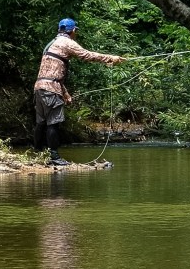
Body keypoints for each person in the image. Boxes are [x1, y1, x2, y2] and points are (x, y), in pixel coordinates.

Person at [34, 18, 125, 165]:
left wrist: (66, 94)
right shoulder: (67, 42)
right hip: (51, 89)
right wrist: (110, 58)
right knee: (53, 123)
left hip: (40, 87)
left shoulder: (51, 44)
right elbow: (86, 55)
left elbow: (52, 73)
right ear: (73, 30)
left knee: (41, 122)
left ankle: (37, 153)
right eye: (76, 30)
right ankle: (55, 157)